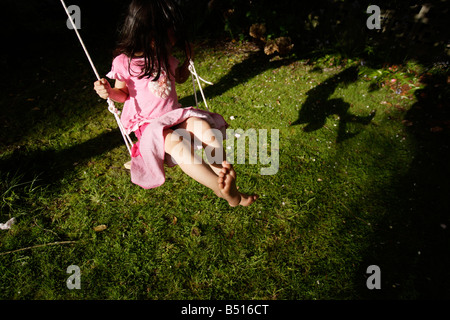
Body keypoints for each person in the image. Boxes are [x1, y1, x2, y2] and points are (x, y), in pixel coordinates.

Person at [93, 0, 257, 206]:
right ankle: (221, 189)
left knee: (205, 128)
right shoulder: (124, 62)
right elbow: (123, 94)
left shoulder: (164, 56)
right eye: (171, 32)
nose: (175, 38)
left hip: (175, 116)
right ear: (152, 36)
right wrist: (108, 91)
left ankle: (228, 181)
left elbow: (178, 78)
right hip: (151, 127)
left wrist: (187, 63)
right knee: (179, 146)